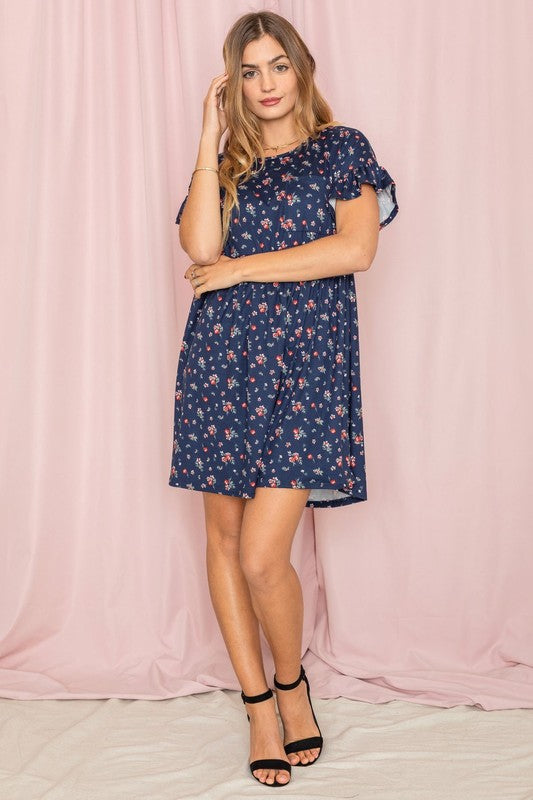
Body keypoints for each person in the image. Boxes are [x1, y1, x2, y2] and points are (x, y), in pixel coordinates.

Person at [169, 10, 399, 787]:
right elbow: (200, 246)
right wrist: (207, 140)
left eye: (277, 66)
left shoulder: (340, 147)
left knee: (266, 554)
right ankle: (259, 707)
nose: (264, 85)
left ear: (300, 68)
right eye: (247, 72)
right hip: (220, 365)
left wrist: (239, 269)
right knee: (225, 542)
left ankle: (293, 685)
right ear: (230, 83)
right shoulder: (226, 163)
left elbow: (355, 248)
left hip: (307, 366)